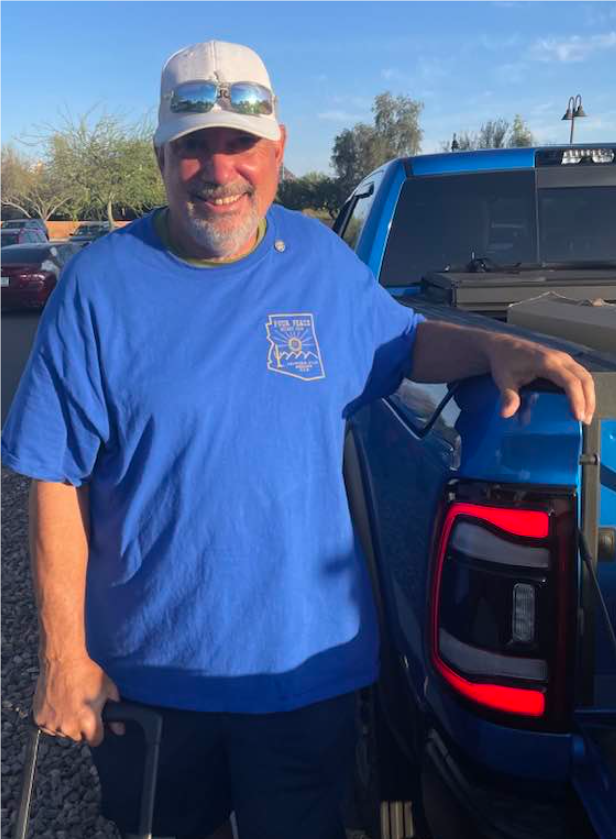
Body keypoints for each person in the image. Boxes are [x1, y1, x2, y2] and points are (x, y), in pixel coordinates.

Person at [0, 40, 594, 839]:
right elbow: (54, 474)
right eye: (194, 146)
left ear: (276, 151)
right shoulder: (97, 287)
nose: (219, 170)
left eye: (240, 144)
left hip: (305, 677)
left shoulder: (317, 261)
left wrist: (492, 347)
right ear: (161, 158)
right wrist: (64, 655)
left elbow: (403, 343)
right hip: (152, 680)